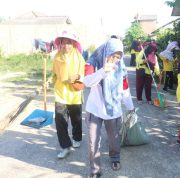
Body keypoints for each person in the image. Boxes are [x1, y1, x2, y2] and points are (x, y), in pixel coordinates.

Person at [83, 38, 134, 177]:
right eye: (113, 55)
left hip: (113, 110)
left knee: (114, 138)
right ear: (106, 51)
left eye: (118, 57)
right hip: (95, 109)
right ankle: (95, 170)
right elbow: (86, 82)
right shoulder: (93, 62)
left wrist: (130, 107)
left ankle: (115, 157)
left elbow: (125, 88)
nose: (115, 59)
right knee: (93, 142)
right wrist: (102, 72)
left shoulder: (120, 67)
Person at [51, 30, 85, 159]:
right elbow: (54, 74)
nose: (66, 46)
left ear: (73, 44)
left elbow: (85, 73)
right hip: (60, 92)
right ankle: (65, 146)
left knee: (76, 119)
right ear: (60, 44)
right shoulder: (57, 57)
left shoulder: (79, 57)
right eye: (64, 43)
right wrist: (49, 81)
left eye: (69, 43)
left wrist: (77, 75)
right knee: (60, 120)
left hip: (74, 93)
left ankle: (77, 138)